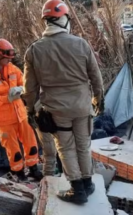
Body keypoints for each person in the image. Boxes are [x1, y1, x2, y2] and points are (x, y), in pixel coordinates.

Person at [23, 0, 103, 204]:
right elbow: (96, 77)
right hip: (82, 105)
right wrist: (98, 99)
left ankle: (77, 189)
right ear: (64, 18)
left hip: (57, 109)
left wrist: (30, 110)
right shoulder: (81, 44)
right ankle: (87, 184)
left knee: (66, 148)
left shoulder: (34, 50)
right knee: (84, 146)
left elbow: (29, 88)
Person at [0, 39, 43, 181]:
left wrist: (21, 89)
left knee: (31, 143)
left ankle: (33, 169)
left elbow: (24, 84)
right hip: (4, 119)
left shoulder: (13, 69)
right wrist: (6, 98)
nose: (8, 61)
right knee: (13, 149)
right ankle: (18, 172)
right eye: (6, 58)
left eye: (10, 58)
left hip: (21, 114)